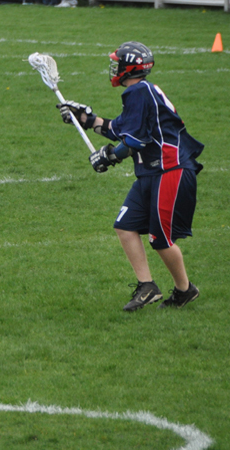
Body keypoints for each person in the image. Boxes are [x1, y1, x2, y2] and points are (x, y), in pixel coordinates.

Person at [57, 41, 203, 312]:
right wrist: (85, 119)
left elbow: (134, 141)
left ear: (129, 68)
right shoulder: (140, 92)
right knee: (125, 226)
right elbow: (117, 129)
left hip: (168, 170)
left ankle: (185, 290)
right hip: (151, 171)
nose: (113, 69)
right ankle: (147, 286)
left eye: (117, 64)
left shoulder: (139, 92)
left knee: (160, 239)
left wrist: (110, 156)